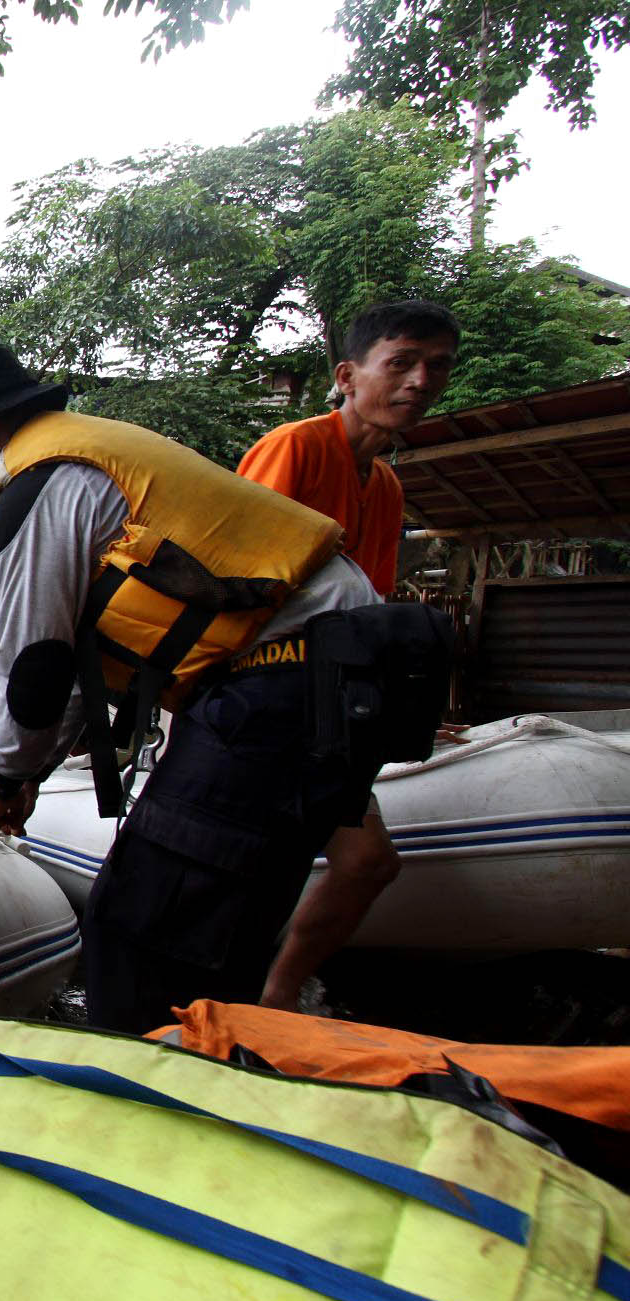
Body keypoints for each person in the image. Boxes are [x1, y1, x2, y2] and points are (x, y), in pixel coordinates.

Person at [0, 346, 400, 1035]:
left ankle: (150, 1095)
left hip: (288, 671)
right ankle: (237, 1043)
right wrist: (30, 776)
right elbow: (73, 672)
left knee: (140, 925)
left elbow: (34, 665)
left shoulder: (34, 487)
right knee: (216, 923)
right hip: (328, 669)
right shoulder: (80, 464)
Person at [237, 300, 461, 1009]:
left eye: (437, 368)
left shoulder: (386, 487)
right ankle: (229, 995)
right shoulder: (295, 448)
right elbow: (239, 586)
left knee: (367, 863)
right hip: (260, 699)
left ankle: (281, 992)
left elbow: (371, 618)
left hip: (328, 711)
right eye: (401, 363)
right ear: (348, 374)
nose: (421, 381)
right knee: (253, 862)